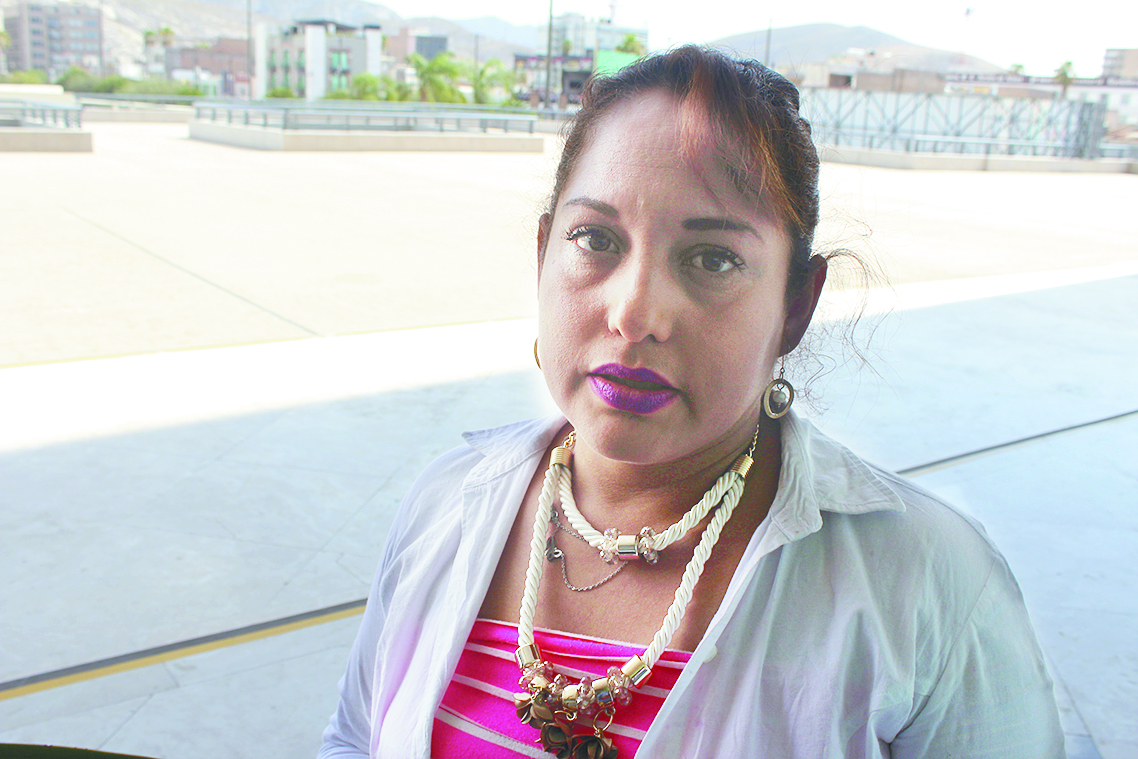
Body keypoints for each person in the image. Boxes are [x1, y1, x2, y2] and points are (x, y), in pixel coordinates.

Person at [319, 46, 1064, 758]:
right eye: (595, 239)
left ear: (795, 307)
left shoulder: (928, 581)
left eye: (713, 258)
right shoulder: (449, 502)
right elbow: (354, 738)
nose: (635, 313)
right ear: (543, 254)